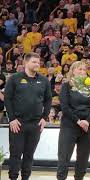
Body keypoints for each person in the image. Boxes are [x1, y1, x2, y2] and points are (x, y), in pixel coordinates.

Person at [4, 52, 52, 180]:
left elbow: (48, 100)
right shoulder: (14, 78)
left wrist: (44, 117)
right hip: (18, 123)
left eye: (38, 62)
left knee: (29, 154)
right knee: (15, 154)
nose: (37, 64)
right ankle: (13, 177)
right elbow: (7, 99)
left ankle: (26, 178)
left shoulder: (44, 80)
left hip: (35, 124)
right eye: (34, 62)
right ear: (25, 63)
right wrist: (12, 119)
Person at [56, 61, 90, 180]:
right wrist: (78, 121)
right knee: (64, 156)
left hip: (87, 126)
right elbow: (65, 107)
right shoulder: (66, 86)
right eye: (79, 69)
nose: (83, 72)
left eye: (84, 70)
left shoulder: (89, 86)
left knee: (83, 157)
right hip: (70, 124)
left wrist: (87, 121)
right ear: (72, 71)